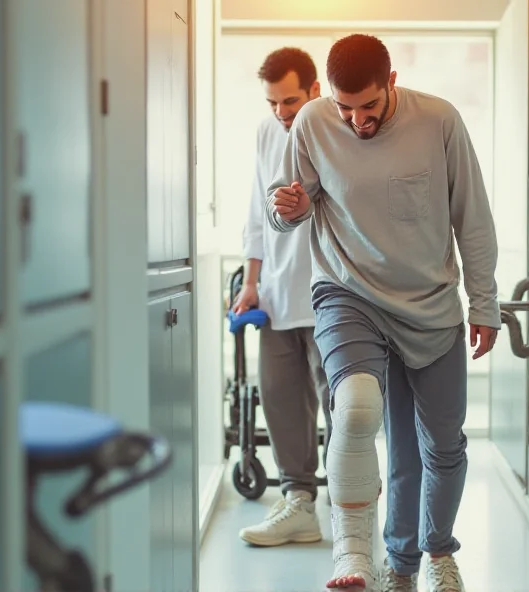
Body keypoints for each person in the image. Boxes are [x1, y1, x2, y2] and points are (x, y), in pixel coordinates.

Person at [266, 34, 500, 592]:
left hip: (430, 304)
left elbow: (472, 217)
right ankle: (373, 561)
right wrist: (289, 210)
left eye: (368, 106)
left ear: (391, 83)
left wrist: (484, 302)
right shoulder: (314, 123)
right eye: (345, 108)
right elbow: (284, 209)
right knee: (357, 409)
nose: (356, 121)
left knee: (439, 444)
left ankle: (434, 552)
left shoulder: (439, 120)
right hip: (349, 294)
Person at [234, 47, 332, 548]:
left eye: (290, 99)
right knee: (281, 403)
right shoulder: (265, 131)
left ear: (316, 89)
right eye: (272, 102)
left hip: (330, 295)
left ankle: (352, 499)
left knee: (342, 407)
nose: (281, 111)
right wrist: (251, 281)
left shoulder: (339, 127)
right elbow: (256, 210)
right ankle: (299, 502)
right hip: (274, 293)